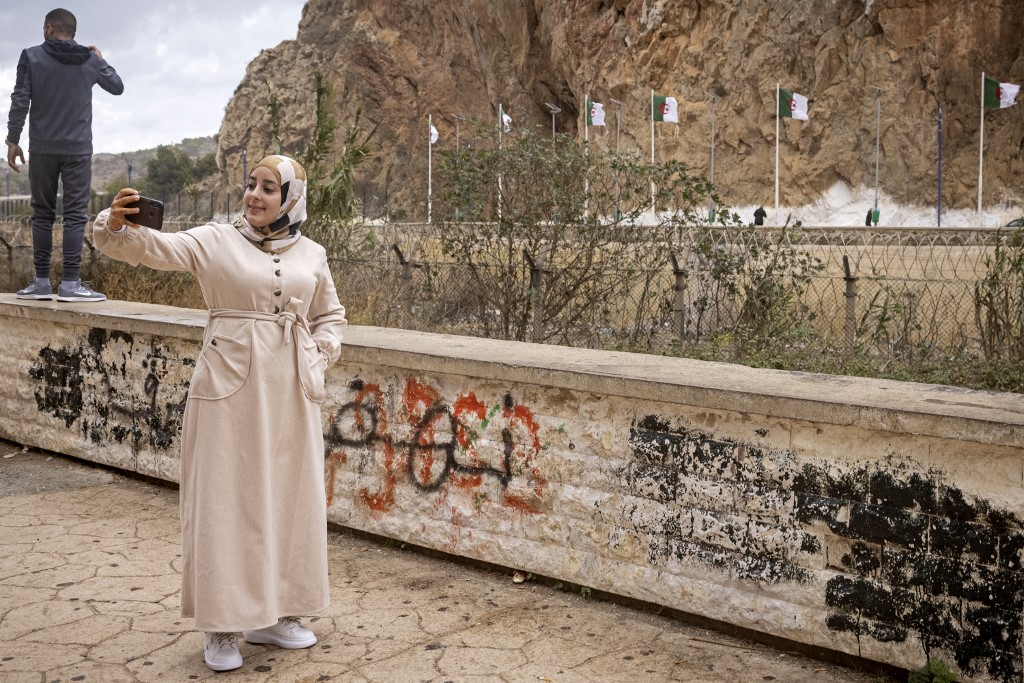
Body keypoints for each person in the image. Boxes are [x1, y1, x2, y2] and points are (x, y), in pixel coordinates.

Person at [94, 155, 347, 672]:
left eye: (269, 188)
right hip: (228, 391)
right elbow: (154, 248)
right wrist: (115, 226)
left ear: (291, 199)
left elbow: (330, 315)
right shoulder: (215, 240)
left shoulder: (313, 253)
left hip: (291, 394)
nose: (255, 194)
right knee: (226, 501)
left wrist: (318, 357)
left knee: (288, 499)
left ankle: (275, 615)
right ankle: (222, 625)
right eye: (251, 184)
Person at [6, 8, 124, 302]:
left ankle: (41, 283)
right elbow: (117, 87)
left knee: (42, 214)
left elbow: (20, 99)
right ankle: (70, 284)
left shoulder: (31, 56)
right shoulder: (90, 60)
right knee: (74, 216)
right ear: (73, 32)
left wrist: (13, 139)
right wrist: (101, 59)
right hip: (78, 150)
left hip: (42, 148)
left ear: (49, 28)